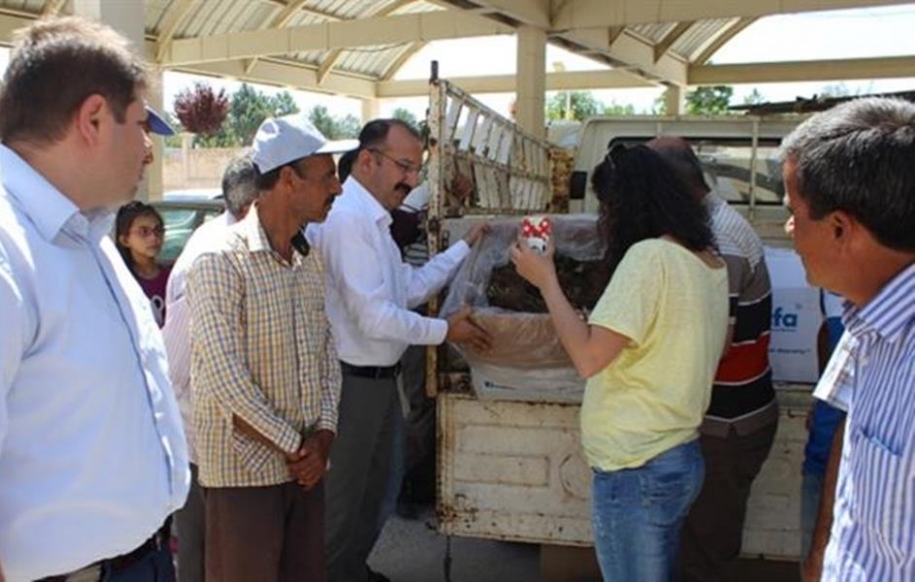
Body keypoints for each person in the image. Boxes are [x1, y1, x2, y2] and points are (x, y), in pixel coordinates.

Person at [0, 16, 188, 582]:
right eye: (140, 125)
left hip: (138, 562)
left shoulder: (85, 235)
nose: (148, 151)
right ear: (92, 119)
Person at [512, 144, 729, 581]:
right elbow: (714, 346)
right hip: (678, 454)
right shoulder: (708, 261)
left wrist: (547, 281)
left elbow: (589, 358)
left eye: (606, 206)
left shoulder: (649, 258)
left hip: (637, 467)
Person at [307, 118, 491, 582]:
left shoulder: (373, 219)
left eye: (416, 169)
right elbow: (376, 317)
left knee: (378, 492)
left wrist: (463, 249)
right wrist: (445, 330)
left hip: (376, 382)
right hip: (352, 384)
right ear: (368, 160)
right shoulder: (349, 221)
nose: (412, 180)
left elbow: (405, 288)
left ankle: (349, 571)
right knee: (343, 506)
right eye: (405, 167)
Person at [186, 114, 348, 582]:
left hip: (304, 472)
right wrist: (300, 448)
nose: (337, 188)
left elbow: (325, 355)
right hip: (244, 477)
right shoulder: (219, 259)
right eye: (328, 176)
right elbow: (224, 381)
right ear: (289, 179)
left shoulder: (307, 260)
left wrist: (324, 436)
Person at [783, 97, 915, 582]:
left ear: (841, 229)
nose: (789, 229)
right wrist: (821, 556)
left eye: (795, 212)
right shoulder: (868, 321)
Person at [648, 136, 779, 581]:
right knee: (696, 543)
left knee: (705, 552)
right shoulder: (708, 226)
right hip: (723, 416)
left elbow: (712, 343)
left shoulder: (721, 239)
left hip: (727, 424)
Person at [161, 153, 257, 582]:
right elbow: (174, 366)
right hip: (204, 446)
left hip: (237, 449)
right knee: (204, 558)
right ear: (254, 205)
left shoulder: (250, 246)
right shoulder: (211, 255)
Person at [799, 290, 847, 562]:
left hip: (874, 473)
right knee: (814, 559)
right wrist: (824, 394)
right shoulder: (833, 285)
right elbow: (826, 332)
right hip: (822, 455)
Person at [116, 200, 171, 326]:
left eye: (158, 230)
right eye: (144, 232)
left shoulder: (170, 277)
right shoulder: (121, 281)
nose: (154, 238)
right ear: (125, 240)